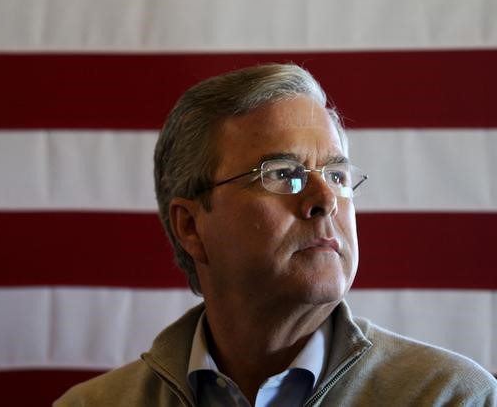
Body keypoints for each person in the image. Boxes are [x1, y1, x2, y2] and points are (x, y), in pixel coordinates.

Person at [54, 63, 497, 406]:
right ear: (191, 226)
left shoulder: (452, 397)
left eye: (338, 175)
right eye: (283, 174)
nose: (326, 199)